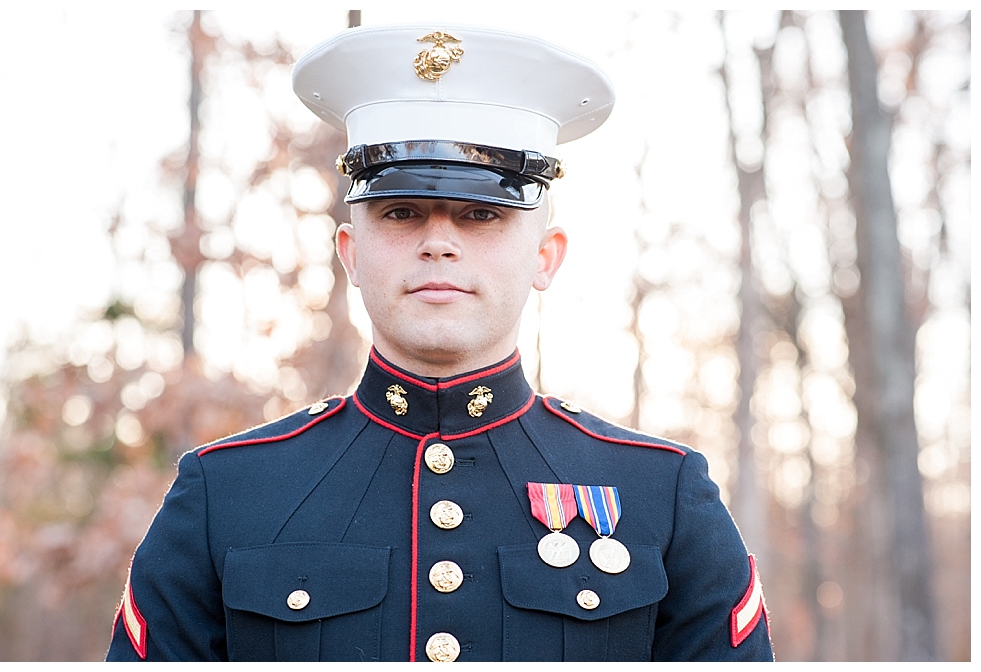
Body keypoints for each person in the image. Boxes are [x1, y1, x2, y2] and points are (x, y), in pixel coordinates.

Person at [106, 23, 773, 662]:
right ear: (350, 254)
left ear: (546, 256)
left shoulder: (663, 494)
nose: (438, 241)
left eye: (482, 214)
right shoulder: (226, 492)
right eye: (400, 212)